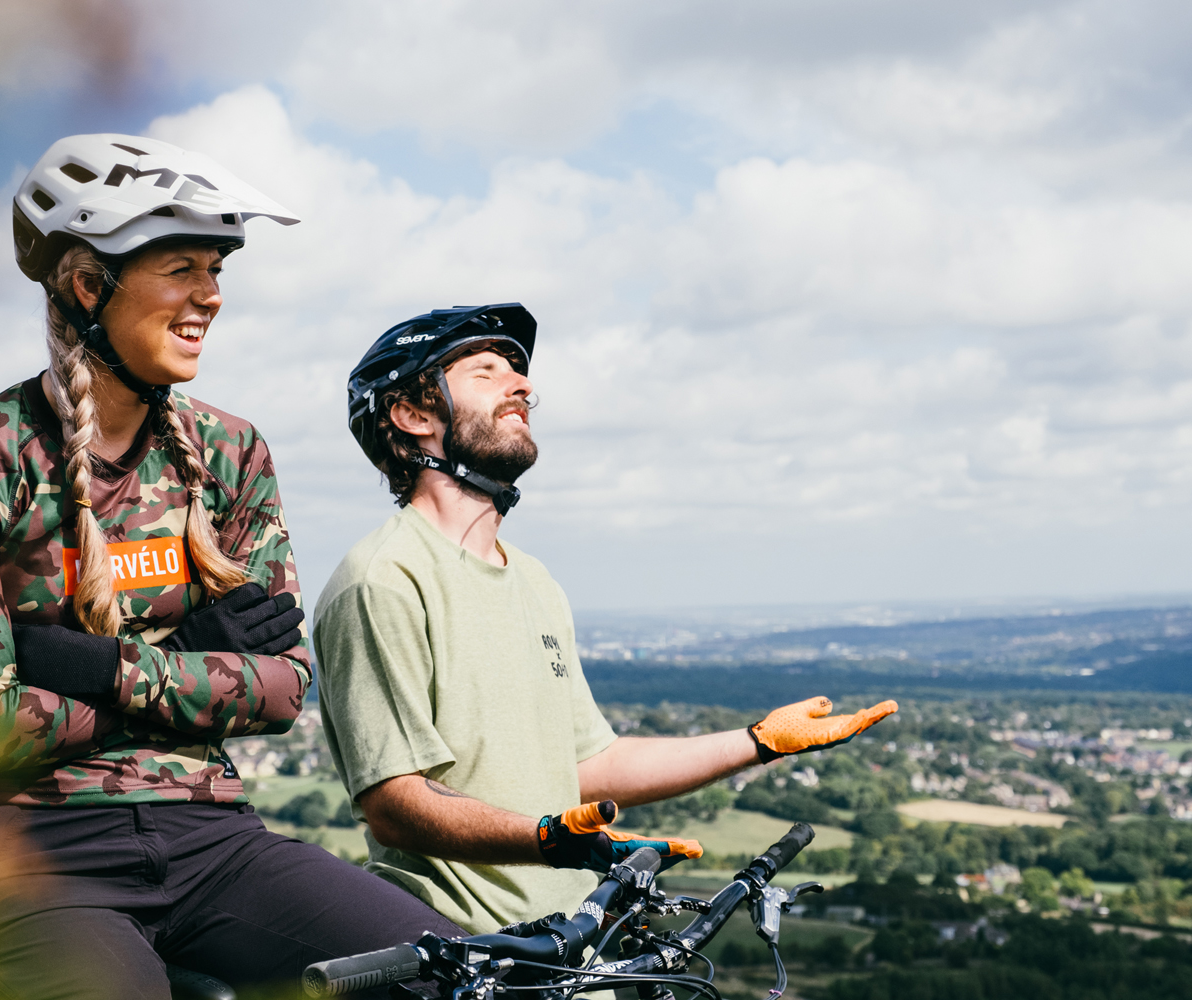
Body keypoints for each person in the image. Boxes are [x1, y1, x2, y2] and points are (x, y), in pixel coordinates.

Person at [0, 134, 462, 1000]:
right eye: (181, 267)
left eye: (217, 268)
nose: (210, 295)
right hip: (34, 853)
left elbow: (282, 689)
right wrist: (194, 659)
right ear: (88, 284)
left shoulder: (233, 451)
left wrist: (84, 662)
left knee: (460, 974)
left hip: (213, 836)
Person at [313, 304, 898, 934]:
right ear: (414, 415)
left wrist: (757, 742)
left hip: (574, 941)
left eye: (519, 373)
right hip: (464, 950)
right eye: (486, 372)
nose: (524, 386)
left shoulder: (534, 581)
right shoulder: (383, 579)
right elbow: (394, 805)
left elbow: (587, 768)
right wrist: (545, 839)